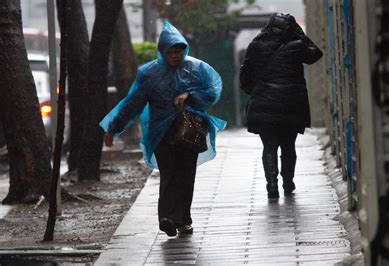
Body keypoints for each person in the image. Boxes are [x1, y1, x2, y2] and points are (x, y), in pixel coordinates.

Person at [100, 20, 226, 237]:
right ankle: (167, 218)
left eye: (179, 51)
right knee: (169, 174)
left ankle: (184, 219)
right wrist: (114, 127)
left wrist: (190, 95)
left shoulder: (196, 69)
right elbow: (133, 103)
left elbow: (212, 92)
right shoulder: (149, 74)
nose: (175, 55)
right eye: (170, 51)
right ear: (162, 52)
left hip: (189, 130)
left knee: (186, 175)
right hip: (161, 133)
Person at [239, 13, 323, 198]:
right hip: (291, 104)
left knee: (269, 146)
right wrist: (301, 34)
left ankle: (271, 184)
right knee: (288, 146)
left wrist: (256, 92)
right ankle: (288, 182)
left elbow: (245, 75)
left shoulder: (256, 45)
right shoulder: (297, 45)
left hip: (264, 103)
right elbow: (316, 54)